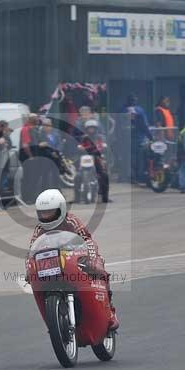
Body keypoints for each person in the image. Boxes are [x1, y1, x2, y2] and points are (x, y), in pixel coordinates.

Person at [29, 189, 118, 331]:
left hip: (75, 255)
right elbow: (31, 251)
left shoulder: (72, 220)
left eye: (50, 212)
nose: (46, 216)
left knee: (100, 269)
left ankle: (111, 313)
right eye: (43, 213)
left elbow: (87, 239)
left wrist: (92, 259)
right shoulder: (39, 229)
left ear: (61, 209)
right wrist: (29, 269)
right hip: (54, 264)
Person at [74, 119, 110, 203]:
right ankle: (76, 197)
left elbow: (103, 146)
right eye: (89, 128)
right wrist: (80, 148)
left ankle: (105, 197)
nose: (91, 130)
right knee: (77, 177)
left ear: (96, 128)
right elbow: (80, 146)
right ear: (86, 129)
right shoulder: (84, 138)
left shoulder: (100, 137)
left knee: (104, 175)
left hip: (97, 158)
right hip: (85, 159)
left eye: (93, 128)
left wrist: (103, 147)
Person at [126, 94, 151, 184]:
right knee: (139, 158)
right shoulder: (139, 110)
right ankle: (138, 177)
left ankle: (131, 177)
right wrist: (150, 136)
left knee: (130, 158)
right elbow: (144, 125)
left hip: (126, 138)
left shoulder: (123, 110)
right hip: (138, 138)